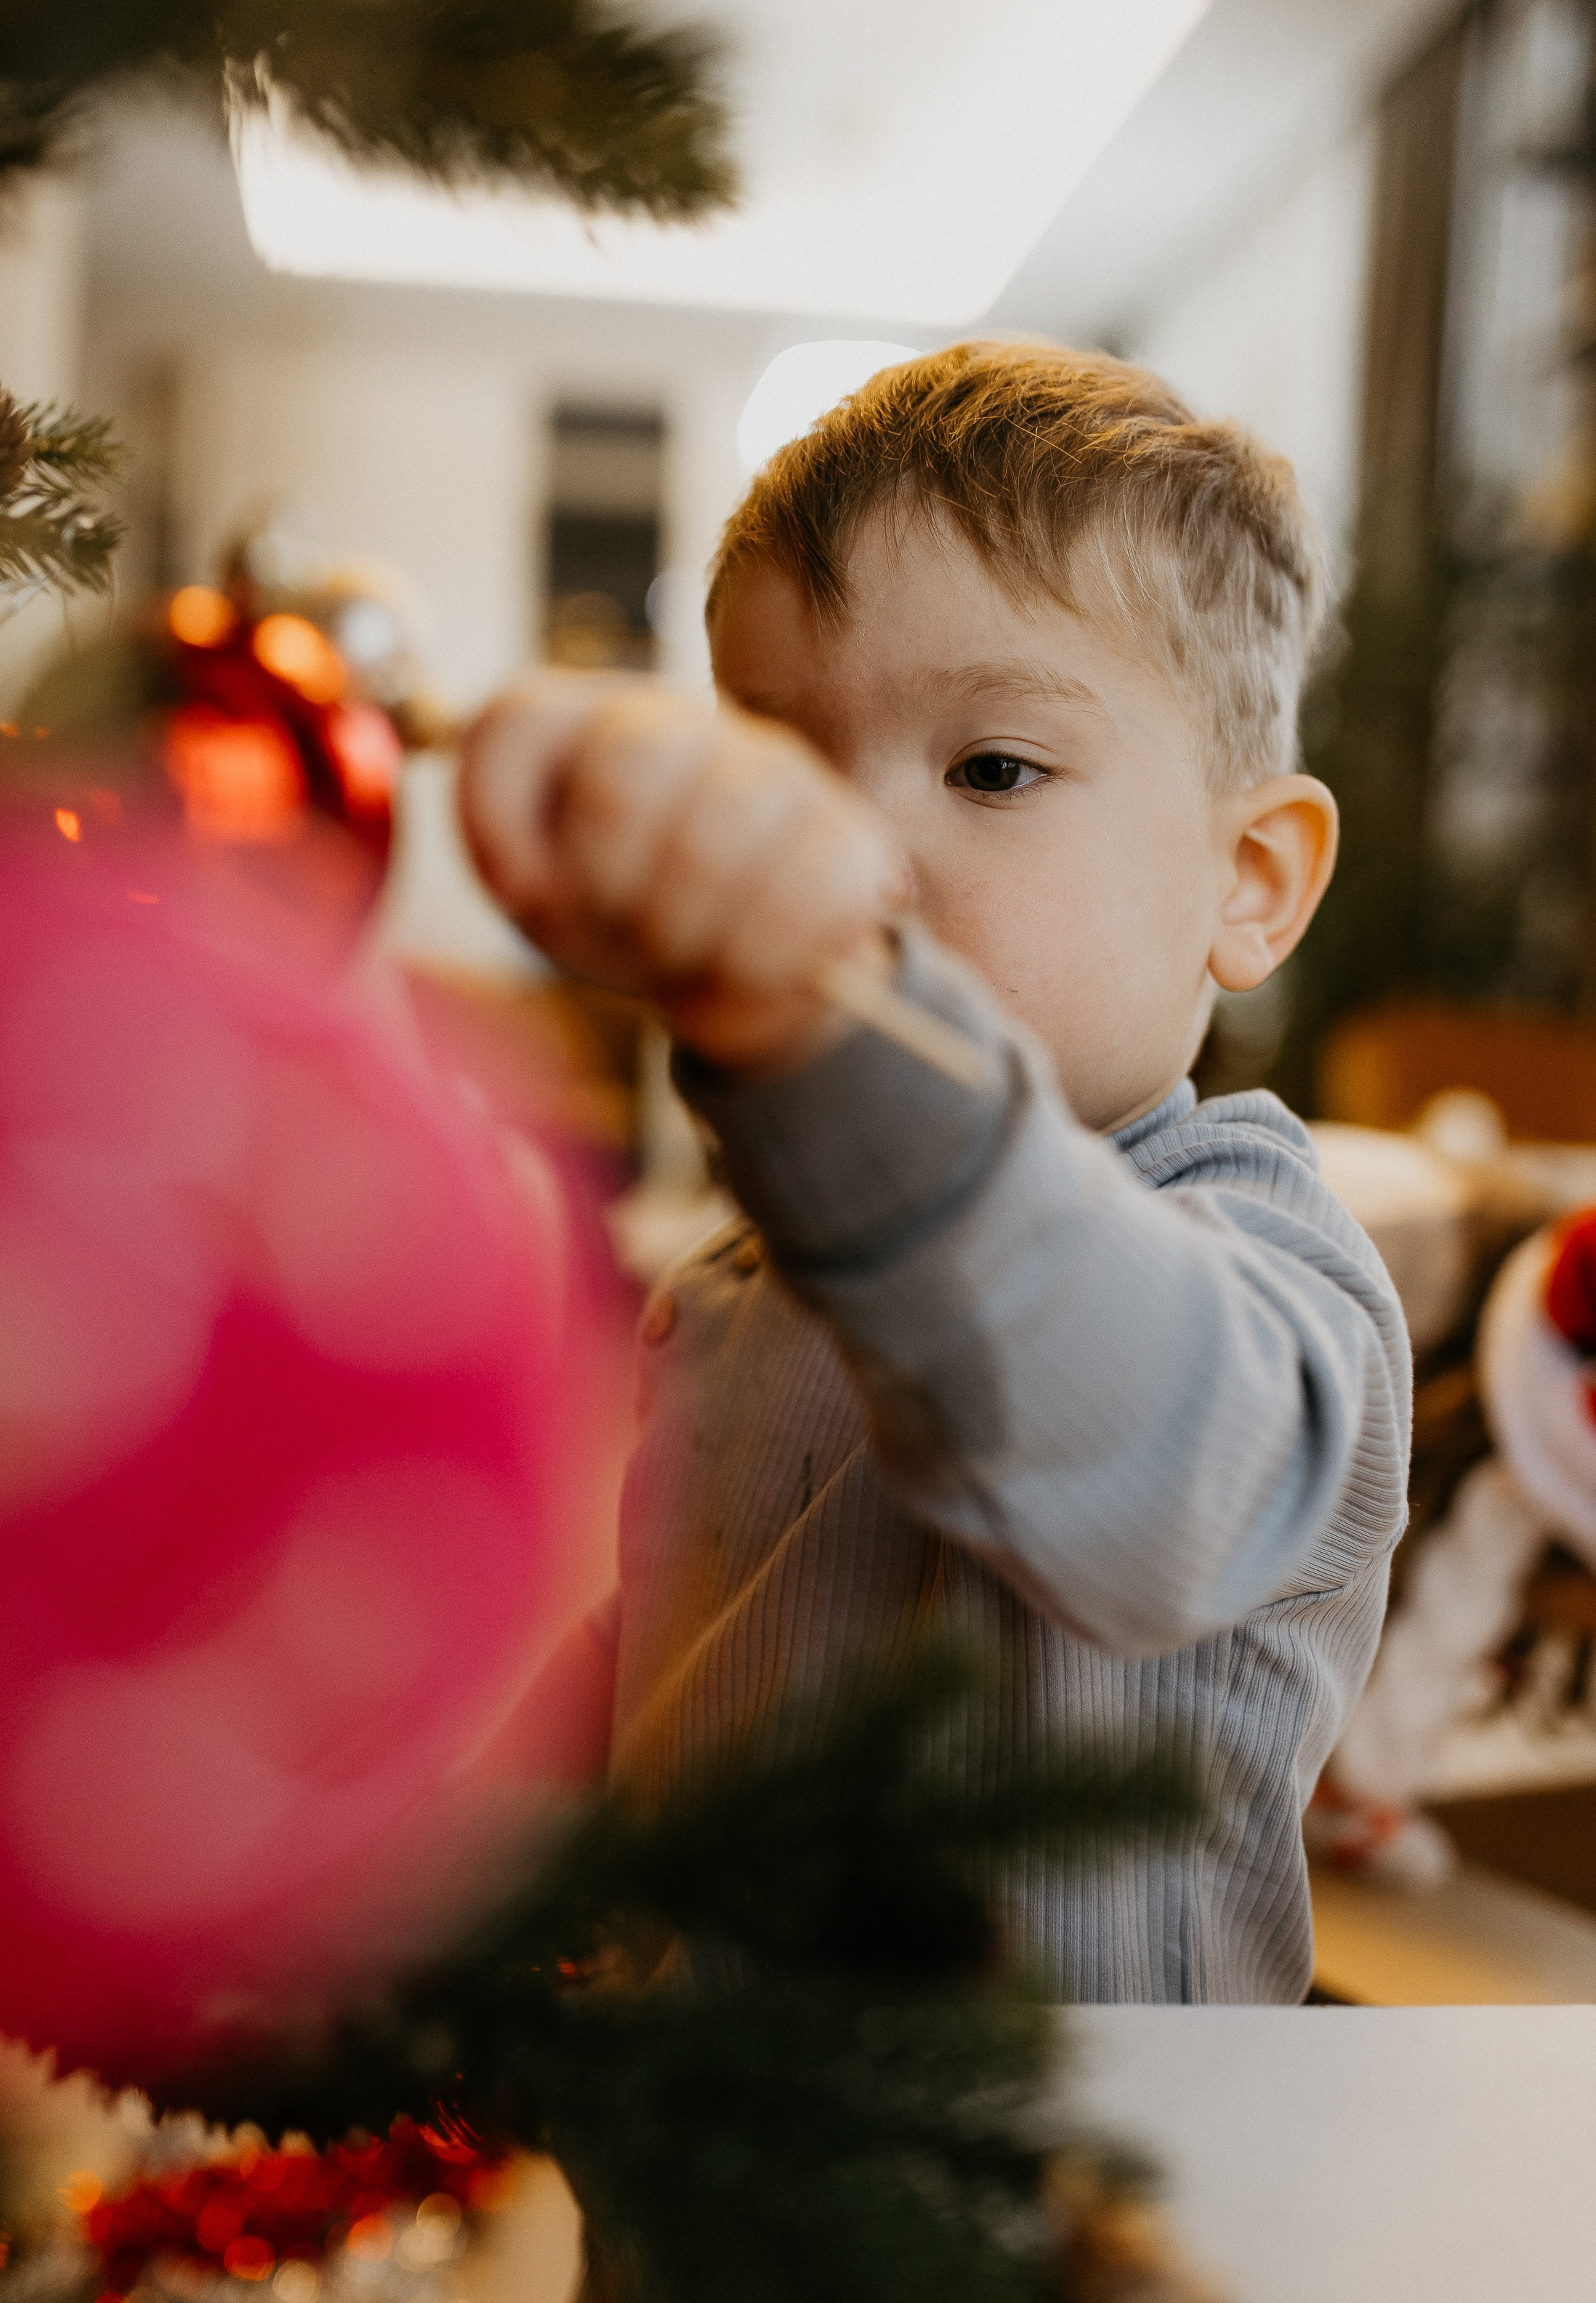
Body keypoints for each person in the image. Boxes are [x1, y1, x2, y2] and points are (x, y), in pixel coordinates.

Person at [456, 340, 1411, 2003]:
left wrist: (849, 1065)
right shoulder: (740, 1285)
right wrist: (431, 1894)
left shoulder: (1262, 1258)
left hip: (1086, 2163)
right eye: (786, 779)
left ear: (1251, 880)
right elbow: (660, 1659)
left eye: (989, 770)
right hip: (700, 2143)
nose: (857, 861)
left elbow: (1158, 1478)